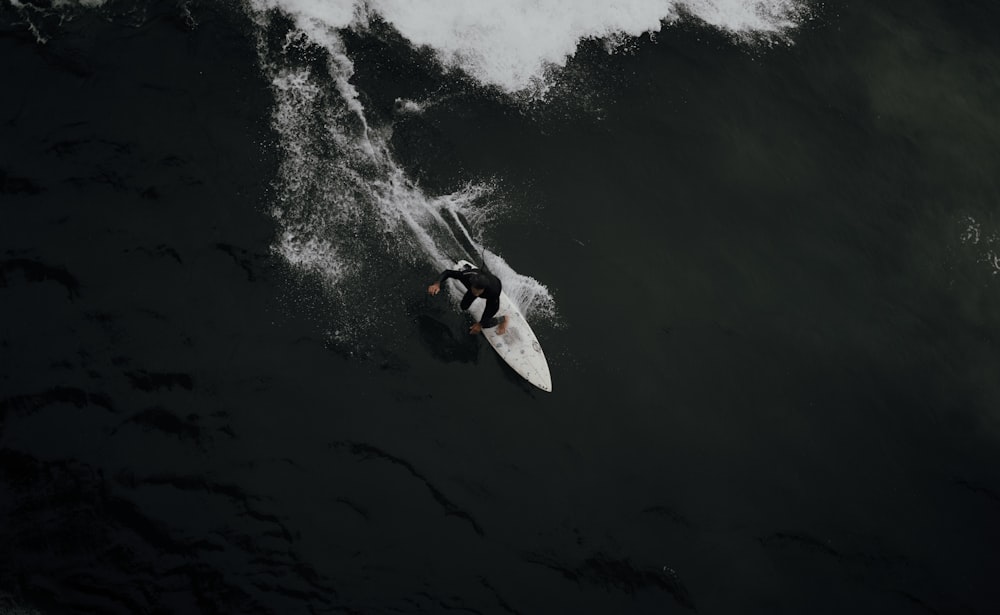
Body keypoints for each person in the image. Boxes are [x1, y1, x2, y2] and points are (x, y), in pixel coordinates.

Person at [427, 265, 508, 335]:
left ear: (483, 289)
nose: (477, 294)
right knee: (463, 306)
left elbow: (492, 309)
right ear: (471, 285)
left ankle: (503, 319)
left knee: (485, 324)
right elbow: (448, 272)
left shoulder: (493, 291)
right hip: (474, 275)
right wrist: (437, 284)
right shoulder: (466, 277)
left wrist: (480, 324)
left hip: (493, 287)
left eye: (479, 291)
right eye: (475, 290)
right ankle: (468, 268)